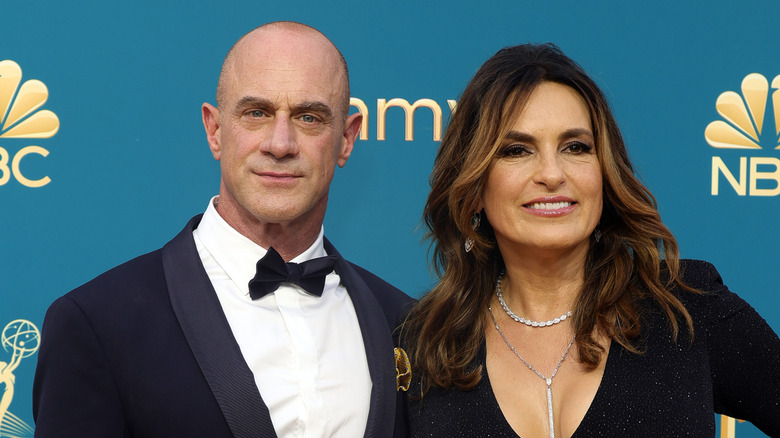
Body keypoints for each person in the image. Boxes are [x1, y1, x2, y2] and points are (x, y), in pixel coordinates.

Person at [33, 21, 413, 438]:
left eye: (309, 117)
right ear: (215, 130)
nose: (280, 143)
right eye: (256, 113)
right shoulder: (98, 323)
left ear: (346, 139)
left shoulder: (406, 323)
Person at [400, 43, 780, 437]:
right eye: (517, 150)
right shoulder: (423, 347)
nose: (552, 173)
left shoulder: (687, 308)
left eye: (575, 147)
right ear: (475, 187)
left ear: (604, 172)